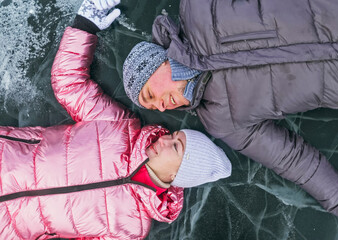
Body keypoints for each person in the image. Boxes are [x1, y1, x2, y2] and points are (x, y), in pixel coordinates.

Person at [121, 0, 338, 226]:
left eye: (151, 95)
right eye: (153, 108)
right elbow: (292, 159)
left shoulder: (201, 8)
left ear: (157, 62)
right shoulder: (221, 118)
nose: (161, 106)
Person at [0, 1, 232, 239]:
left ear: (177, 176)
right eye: (172, 136)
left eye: (175, 146)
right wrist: (85, 24)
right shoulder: (118, 126)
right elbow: (70, 85)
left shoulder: (131, 228)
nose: (164, 139)